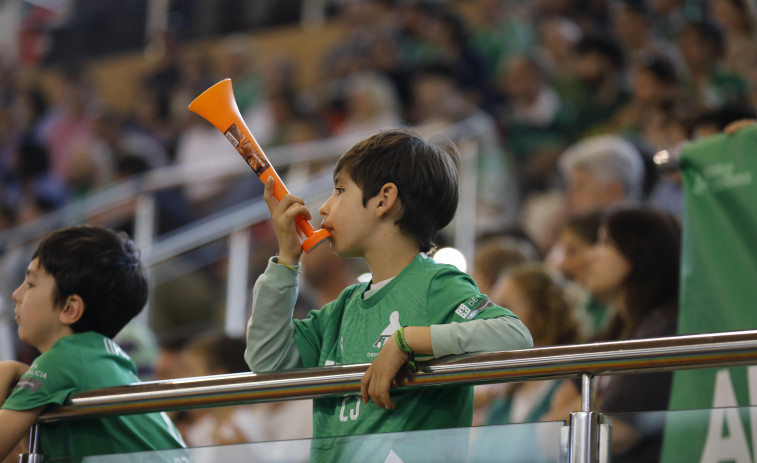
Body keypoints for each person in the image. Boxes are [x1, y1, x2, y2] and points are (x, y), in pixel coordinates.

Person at [245, 128, 533, 462]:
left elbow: (515, 336)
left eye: (339, 191)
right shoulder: (343, 307)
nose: (323, 208)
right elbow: (266, 362)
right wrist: (286, 261)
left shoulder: (436, 283)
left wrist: (407, 341)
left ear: (384, 199)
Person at [0, 226, 186, 461]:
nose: (16, 294)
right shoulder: (98, 356)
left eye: (31, 284)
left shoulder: (65, 357)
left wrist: (5, 372)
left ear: (70, 309)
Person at [546, 206, 681, 463]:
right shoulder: (616, 332)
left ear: (640, 253)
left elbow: (616, 433)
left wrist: (592, 402)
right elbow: (550, 425)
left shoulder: (663, 331)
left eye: (606, 242)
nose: (591, 256)